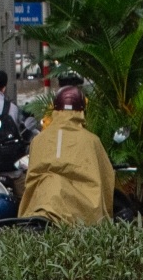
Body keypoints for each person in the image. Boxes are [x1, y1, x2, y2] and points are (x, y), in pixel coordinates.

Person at [19, 84, 115, 225]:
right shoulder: (91, 140)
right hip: (80, 212)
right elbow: (106, 177)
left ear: (55, 109)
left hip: (39, 206)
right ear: (82, 110)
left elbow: (30, 178)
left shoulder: (38, 140)